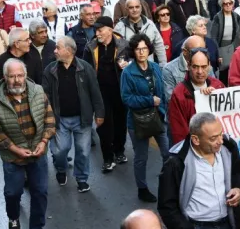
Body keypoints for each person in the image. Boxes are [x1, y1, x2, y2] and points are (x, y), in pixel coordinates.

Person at [0, 58, 55, 229]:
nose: (17, 80)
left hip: (37, 153)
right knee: (12, 193)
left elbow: (49, 119)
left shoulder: (39, 92)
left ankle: (37, 226)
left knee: (40, 193)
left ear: (25, 75)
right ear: (5, 77)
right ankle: (13, 217)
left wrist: (44, 141)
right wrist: (14, 149)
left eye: (20, 75)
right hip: (12, 157)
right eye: (12, 76)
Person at [158, 112, 240, 229]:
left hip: (229, 222)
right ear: (196, 140)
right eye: (213, 138)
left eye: (221, 134)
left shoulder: (229, 147)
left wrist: (238, 188)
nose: (220, 141)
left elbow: (237, 173)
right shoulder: (175, 162)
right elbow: (167, 206)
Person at [42, 36, 104, 193]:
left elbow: (95, 92)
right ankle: (61, 169)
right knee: (60, 150)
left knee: (83, 151)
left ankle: (82, 179)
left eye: (58, 48)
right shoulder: (50, 70)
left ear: (68, 50)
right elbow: (45, 95)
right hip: (60, 119)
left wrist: (100, 113)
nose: (55, 51)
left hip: (82, 119)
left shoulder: (85, 68)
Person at [120, 33, 168, 202]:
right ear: (133, 51)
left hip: (158, 117)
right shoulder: (128, 73)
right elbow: (126, 99)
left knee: (168, 152)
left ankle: (169, 185)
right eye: (138, 49)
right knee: (141, 158)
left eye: (144, 48)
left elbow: (161, 91)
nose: (141, 52)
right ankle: (142, 189)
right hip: (137, 121)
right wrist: (149, 100)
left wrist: (162, 108)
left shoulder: (155, 67)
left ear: (149, 49)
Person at [83, 16, 130, 173]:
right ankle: (107, 158)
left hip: (119, 91)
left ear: (110, 29)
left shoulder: (124, 45)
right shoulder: (90, 47)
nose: (97, 33)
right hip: (100, 93)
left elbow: (131, 66)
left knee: (120, 123)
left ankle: (119, 151)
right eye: (96, 30)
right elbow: (86, 71)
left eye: (100, 30)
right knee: (103, 126)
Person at [168, 48, 224, 144]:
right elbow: (179, 133)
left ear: (209, 66)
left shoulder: (218, 85)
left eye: (204, 67)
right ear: (188, 66)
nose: (200, 71)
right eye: (195, 67)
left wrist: (217, 96)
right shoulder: (179, 94)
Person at [162, 36, 216, 122]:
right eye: (195, 51)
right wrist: (200, 95)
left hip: (204, 119)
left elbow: (215, 88)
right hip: (180, 120)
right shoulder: (169, 69)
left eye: (203, 50)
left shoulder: (208, 66)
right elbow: (171, 100)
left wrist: (211, 90)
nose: (200, 54)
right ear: (185, 51)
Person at [0, 28, 43, 98]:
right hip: (8, 105)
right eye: (26, 40)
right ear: (17, 44)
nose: (30, 42)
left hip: (33, 103)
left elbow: (40, 83)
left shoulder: (34, 57)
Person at [114, 0, 167, 66]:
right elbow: (116, 50)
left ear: (141, 8)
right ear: (126, 9)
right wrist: (122, 62)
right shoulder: (119, 27)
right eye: (131, 7)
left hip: (149, 67)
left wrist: (163, 65)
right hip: (129, 69)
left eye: (137, 7)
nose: (134, 10)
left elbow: (159, 45)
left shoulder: (150, 24)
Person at [210, 0, 240, 85]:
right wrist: (218, 53)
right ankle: (222, 88)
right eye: (225, 3)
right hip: (222, 46)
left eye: (230, 3)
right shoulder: (218, 17)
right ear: (222, 5)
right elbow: (214, 36)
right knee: (224, 71)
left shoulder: (236, 16)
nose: (228, 5)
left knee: (235, 69)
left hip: (234, 45)